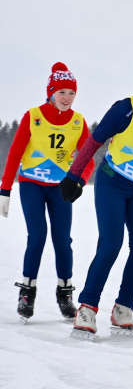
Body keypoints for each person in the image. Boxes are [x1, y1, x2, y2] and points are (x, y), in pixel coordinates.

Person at [59, 59, 133, 335]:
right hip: (113, 183)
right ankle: (87, 308)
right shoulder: (126, 109)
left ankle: (124, 307)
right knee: (111, 244)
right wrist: (74, 176)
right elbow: (94, 141)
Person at [0, 63, 95, 321]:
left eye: (71, 93)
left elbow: (88, 160)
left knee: (63, 240)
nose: (66, 98)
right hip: (31, 184)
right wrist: (5, 190)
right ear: (51, 92)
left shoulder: (78, 121)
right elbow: (15, 154)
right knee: (38, 235)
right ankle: (27, 293)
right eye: (61, 92)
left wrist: (79, 182)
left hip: (60, 188)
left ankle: (65, 294)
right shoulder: (33, 116)